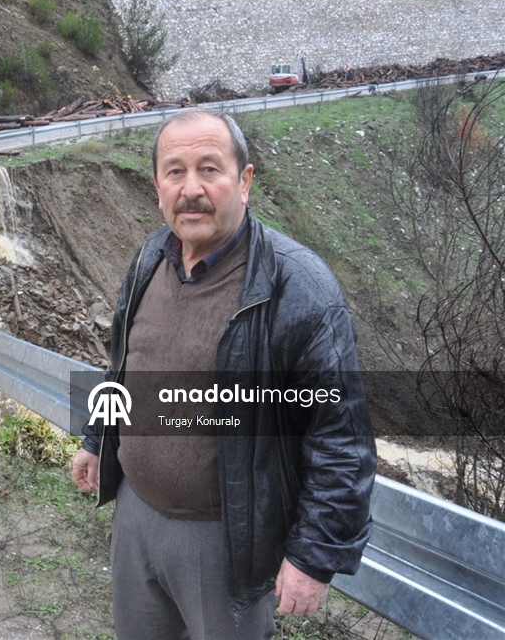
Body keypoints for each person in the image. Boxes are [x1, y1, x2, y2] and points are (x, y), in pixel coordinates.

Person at [71, 109, 376, 640]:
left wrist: (313, 557)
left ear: (245, 180)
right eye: (175, 172)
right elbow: (123, 362)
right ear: (157, 186)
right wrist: (98, 438)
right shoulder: (150, 257)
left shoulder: (298, 286)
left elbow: (340, 439)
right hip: (136, 516)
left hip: (227, 539)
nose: (192, 189)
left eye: (210, 169)